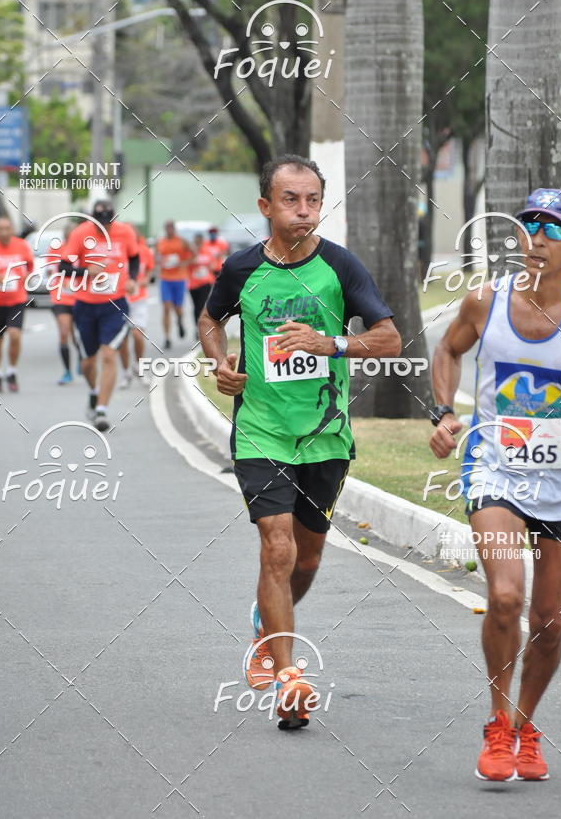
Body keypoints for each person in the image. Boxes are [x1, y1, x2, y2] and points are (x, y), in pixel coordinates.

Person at [199, 154, 400, 729]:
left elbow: (388, 337)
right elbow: (210, 321)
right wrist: (221, 364)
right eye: (291, 199)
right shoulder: (241, 269)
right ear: (266, 206)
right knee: (278, 548)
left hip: (326, 437)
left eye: (312, 199)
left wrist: (329, 343)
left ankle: (267, 629)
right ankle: (288, 675)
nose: (303, 210)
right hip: (262, 431)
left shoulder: (340, 267)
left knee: (307, 557)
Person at [429, 188, 561, 782]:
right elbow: (446, 350)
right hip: (496, 470)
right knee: (507, 597)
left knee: (549, 622)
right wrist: (442, 413)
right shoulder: (485, 301)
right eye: (527, 226)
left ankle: (524, 725)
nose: (536, 239)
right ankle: (497, 722)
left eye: (552, 227)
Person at [59, 201, 139, 432]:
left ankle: (102, 410)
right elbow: (63, 267)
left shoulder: (125, 232)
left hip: (115, 304)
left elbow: (134, 257)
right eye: (99, 223)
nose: (103, 227)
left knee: (108, 355)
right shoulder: (80, 233)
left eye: (107, 223)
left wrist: (132, 278)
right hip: (86, 305)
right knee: (87, 362)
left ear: (113, 219)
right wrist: (85, 271)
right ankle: (94, 393)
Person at [0, 215, 34, 392]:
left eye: (7, 228)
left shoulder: (21, 245)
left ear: (12, 229)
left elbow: (31, 268)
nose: (4, 232)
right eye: (0, 228)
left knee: (15, 335)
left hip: (17, 300)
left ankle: (12, 371)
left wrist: (26, 277)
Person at [119, 228, 154, 388]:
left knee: (138, 335)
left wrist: (146, 278)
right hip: (120, 300)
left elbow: (149, 269)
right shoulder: (118, 250)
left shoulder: (144, 251)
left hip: (139, 299)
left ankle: (138, 367)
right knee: (122, 339)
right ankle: (126, 372)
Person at [47, 223, 80, 385]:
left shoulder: (84, 250)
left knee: (78, 335)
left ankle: (82, 359)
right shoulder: (56, 250)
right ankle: (67, 371)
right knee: (64, 332)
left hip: (80, 298)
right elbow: (52, 270)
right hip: (60, 298)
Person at [156, 221, 192, 349]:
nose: (169, 230)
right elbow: (157, 257)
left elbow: (194, 254)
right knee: (166, 308)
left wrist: (184, 263)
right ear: (165, 229)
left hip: (179, 278)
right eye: (167, 228)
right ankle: (167, 338)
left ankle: (179, 319)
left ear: (174, 229)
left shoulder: (182, 241)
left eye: (171, 228)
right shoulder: (160, 242)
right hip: (165, 278)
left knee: (177, 308)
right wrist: (160, 261)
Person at [187, 233, 215, 338]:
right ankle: (196, 327)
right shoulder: (190, 253)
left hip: (205, 283)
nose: (198, 243)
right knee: (195, 307)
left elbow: (212, 266)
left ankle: (201, 328)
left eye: (199, 241)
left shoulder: (207, 252)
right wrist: (193, 256)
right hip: (193, 284)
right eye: (196, 242)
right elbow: (185, 264)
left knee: (201, 306)